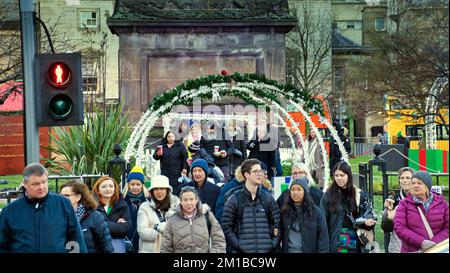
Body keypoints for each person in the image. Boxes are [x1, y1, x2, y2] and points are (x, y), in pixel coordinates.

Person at [0, 163, 87, 253]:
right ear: (25, 184)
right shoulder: (10, 212)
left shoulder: (63, 204)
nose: (41, 187)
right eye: (35, 184)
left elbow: (76, 238)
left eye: (44, 182)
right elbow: (2, 245)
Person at [222, 159, 281, 253]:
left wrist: (272, 245)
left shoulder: (268, 199)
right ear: (246, 175)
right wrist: (238, 245)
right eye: (255, 171)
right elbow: (226, 227)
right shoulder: (234, 199)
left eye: (260, 171)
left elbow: (277, 224)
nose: (260, 174)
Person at [319, 161, 376, 253]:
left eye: (342, 175)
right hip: (336, 239)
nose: (339, 178)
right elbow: (322, 221)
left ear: (348, 176)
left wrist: (367, 222)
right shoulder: (328, 196)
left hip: (356, 239)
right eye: (336, 175)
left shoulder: (359, 195)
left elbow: (368, 215)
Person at [394, 171, 449, 253]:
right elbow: (399, 227)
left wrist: (434, 244)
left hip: (438, 249)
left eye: (419, 183)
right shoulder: (404, 204)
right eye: (413, 183)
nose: (415, 186)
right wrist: (422, 242)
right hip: (412, 250)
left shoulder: (442, 203)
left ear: (427, 186)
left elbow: (447, 228)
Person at [160, 186, 226, 253]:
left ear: (196, 200)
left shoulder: (207, 216)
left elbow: (219, 239)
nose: (188, 203)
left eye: (191, 199)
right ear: (180, 201)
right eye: (185, 200)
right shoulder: (172, 220)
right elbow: (165, 247)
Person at [60, 180, 114, 253]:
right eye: (61, 196)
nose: (62, 199)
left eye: (67, 196)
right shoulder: (56, 216)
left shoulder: (95, 217)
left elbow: (106, 247)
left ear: (78, 197)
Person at [279, 177, 329, 253]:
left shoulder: (316, 213)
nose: (295, 192)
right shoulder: (284, 212)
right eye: (292, 189)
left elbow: (323, 239)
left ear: (305, 191)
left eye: (299, 189)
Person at [137, 175, 179, 253]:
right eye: (156, 189)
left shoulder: (177, 205)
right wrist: (159, 228)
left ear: (167, 190)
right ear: (152, 191)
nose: (159, 192)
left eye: (162, 188)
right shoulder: (144, 207)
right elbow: (142, 232)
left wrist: (153, 226)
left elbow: (180, 229)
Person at [92, 176, 132, 253]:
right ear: (98, 190)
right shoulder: (91, 206)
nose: (108, 189)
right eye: (104, 187)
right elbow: (93, 227)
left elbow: (125, 228)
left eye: (111, 186)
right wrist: (116, 224)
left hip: (117, 244)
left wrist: (102, 224)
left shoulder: (122, 205)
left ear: (115, 189)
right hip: (97, 245)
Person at [381, 167, 414, 253]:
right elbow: (385, 228)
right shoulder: (393, 200)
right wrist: (388, 217)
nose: (404, 180)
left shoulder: (421, 198)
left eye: (408, 178)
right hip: (397, 247)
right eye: (402, 178)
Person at [153, 131, 188, 196]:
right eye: (168, 136)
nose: (170, 138)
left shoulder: (180, 145)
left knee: (176, 190)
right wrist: (157, 154)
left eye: (172, 136)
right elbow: (155, 157)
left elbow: (185, 158)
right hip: (165, 172)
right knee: (166, 189)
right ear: (166, 137)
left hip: (177, 172)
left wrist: (185, 168)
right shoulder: (162, 146)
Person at [123, 166, 148, 252]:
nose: (135, 187)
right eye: (132, 184)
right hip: (126, 240)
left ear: (142, 185)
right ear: (128, 185)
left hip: (143, 241)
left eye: (138, 184)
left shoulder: (148, 202)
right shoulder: (122, 202)